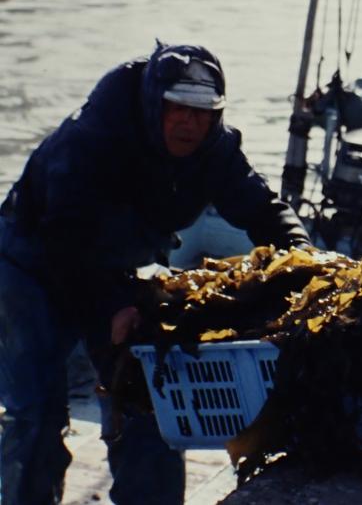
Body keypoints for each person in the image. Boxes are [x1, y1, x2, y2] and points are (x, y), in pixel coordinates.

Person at [0, 42, 311, 505]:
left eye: (203, 114)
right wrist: (111, 306)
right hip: (33, 265)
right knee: (37, 416)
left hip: (114, 267)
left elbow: (263, 208)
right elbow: (66, 238)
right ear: (153, 106)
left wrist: (305, 257)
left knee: (150, 403)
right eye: (177, 110)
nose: (190, 123)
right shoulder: (91, 139)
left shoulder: (215, 149)